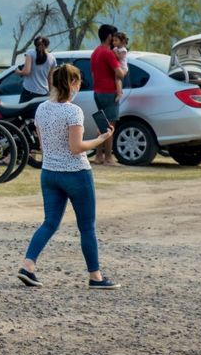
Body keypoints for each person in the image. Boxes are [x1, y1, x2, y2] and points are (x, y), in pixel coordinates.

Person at [17, 63, 118, 289]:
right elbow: (76, 147)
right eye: (79, 82)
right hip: (75, 173)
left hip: (49, 172)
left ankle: (28, 265)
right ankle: (95, 276)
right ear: (73, 83)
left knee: (50, 222)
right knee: (87, 227)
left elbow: (43, 144)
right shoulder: (73, 111)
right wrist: (102, 139)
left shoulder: (41, 108)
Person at [89, 23, 125, 166]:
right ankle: (108, 158)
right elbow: (119, 73)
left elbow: (93, 74)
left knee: (102, 124)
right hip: (109, 93)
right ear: (110, 36)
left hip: (97, 92)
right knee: (110, 126)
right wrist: (124, 70)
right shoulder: (108, 53)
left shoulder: (95, 52)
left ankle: (98, 156)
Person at [15, 36, 56, 100]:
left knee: (24, 110)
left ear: (35, 45)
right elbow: (50, 78)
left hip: (29, 92)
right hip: (44, 93)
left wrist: (18, 71)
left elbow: (26, 72)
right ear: (47, 46)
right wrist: (50, 93)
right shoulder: (52, 58)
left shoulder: (30, 53)